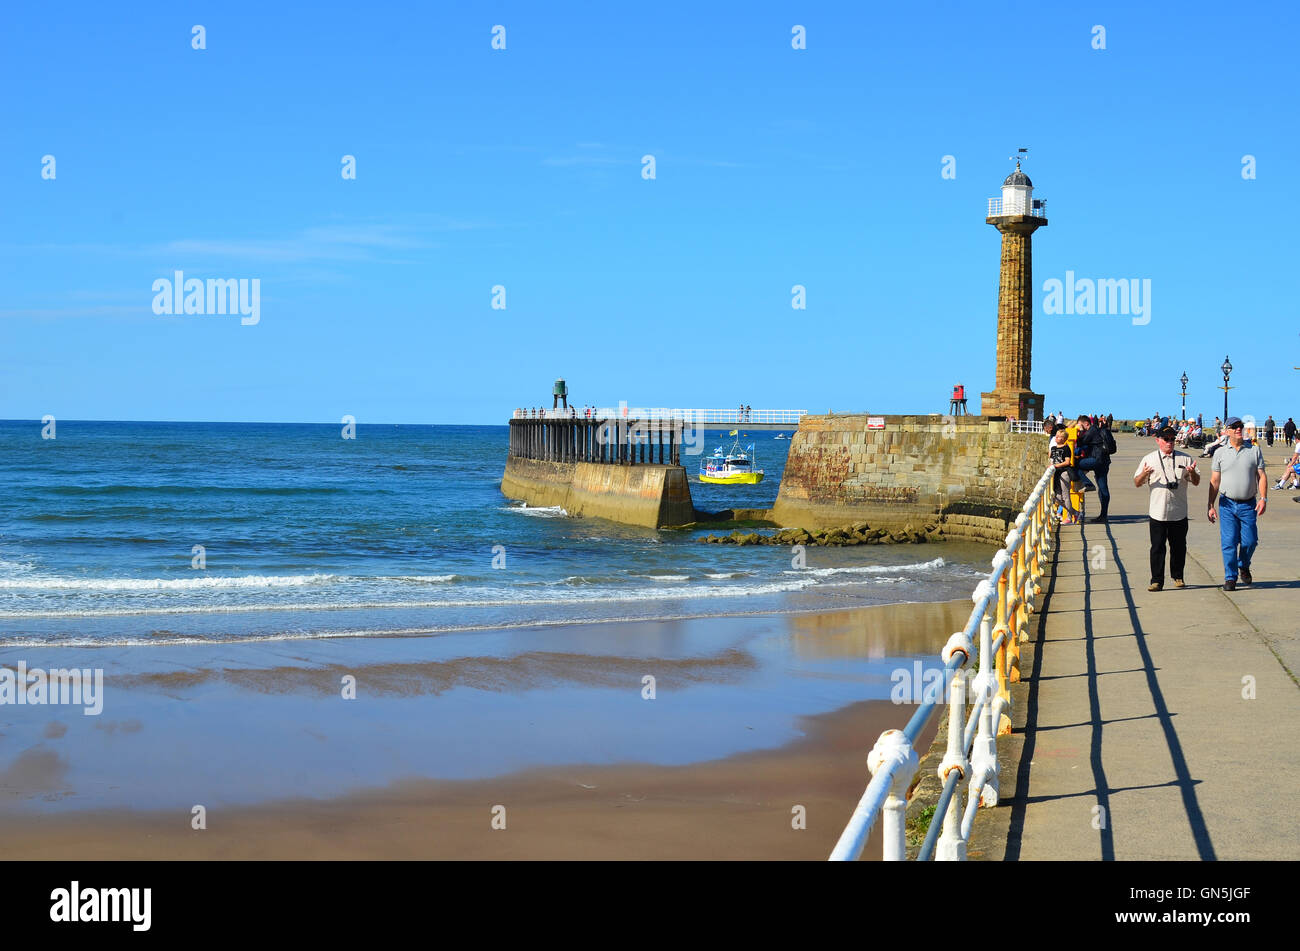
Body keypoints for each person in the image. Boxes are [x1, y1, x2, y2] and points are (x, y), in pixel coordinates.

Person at [1134, 426, 1200, 591]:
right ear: (1158, 440)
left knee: (1179, 547)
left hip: (1179, 512)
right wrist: (1144, 474)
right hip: (1158, 512)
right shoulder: (1149, 459)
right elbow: (1137, 482)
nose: (1170, 442)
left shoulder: (1185, 459)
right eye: (1166, 439)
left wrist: (1192, 473)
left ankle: (1178, 576)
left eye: (1172, 439)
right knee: (1157, 547)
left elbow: (1197, 481)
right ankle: (1156, 580)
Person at [1206, 417, 1268, 591]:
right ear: (1226, 431)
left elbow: (1261, 476)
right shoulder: (1219, 453)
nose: (1238, 429)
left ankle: (1243, 564)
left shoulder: (1254, 450)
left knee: (1250, 541)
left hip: (1249, 504)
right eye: (1234, 427)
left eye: (1240, 426)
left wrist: (1263, 498)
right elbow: (1215, 481)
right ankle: (1230, 577)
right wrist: (1210, 505)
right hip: (1226, 504)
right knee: (1229, 542)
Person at [1074, 412, 1112, 522]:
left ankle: (1088, 484)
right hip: (1104, 461)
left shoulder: (1091, 431)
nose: (1080, 428)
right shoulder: (1096, 429)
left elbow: (1081, 442)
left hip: (1097, 459)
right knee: (1103, 487)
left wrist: (1078, 432)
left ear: (1086, 423)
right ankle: (1103, 516)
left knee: (1075, 464)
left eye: (1080, 425)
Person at [1049, 425, 1080, 524]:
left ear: (1065, 439)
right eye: (1056, 436)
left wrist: (1056, 465)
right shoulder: (1053, 448)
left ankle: (1069, 518)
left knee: (1066, 495)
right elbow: (1050, 459)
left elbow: (1067, 462)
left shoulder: (1066, 448)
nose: (1057, 438)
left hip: (1064, 472)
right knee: (1057, 497)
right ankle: (1075, 512)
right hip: (1056, 473)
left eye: (1060, 437)